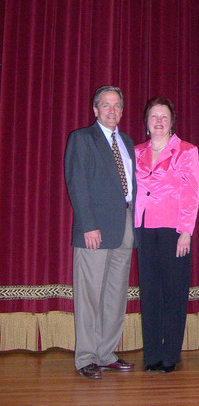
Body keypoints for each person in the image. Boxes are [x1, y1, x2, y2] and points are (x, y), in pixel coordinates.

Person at [64, 85, 136, 379]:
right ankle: (86, 357)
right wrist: (88, 226)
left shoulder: (128, 142)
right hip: (94, 229)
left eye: (117, 105)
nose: (112, 110)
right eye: (106, 105)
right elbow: (77, 184)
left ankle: (106, 353)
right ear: (95, 110)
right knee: (90, 295)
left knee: (115, 296)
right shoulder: (82, 139)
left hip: (125, 228)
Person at [134, 97, 199, 373]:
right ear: (146, 123)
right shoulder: (135, 150)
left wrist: (186, 231)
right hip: (144, 229)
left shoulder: (186, 150)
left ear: (172, 122)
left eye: (164, 117)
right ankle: (152, 355)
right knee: (149, 293)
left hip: (174, 229)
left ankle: (171, 353)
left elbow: (191, 193)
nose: (159, 122)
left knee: (174, 292)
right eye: (154, 117)